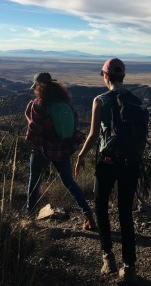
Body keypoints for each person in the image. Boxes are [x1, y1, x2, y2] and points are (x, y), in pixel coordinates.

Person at [75, 58, 140, 285]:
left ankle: (107, 258)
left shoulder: (100, 100)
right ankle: (129, 268)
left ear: (105, 76)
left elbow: (93, 135)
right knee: (125, 212)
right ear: (123, 76)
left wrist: (81, 156)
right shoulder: (137, 102)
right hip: (131, 163)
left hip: (107, 161)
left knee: (101, 207)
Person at [25, 72, 96, 230]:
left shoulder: (38, 104)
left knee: (34, 181)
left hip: (42, 150)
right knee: (69, 182)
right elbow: (75, 122)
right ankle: (88, 215)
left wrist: (27, 117)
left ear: (38, 86)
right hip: (62, 149)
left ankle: (28, 217)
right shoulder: (65, 103)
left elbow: (34, 129)